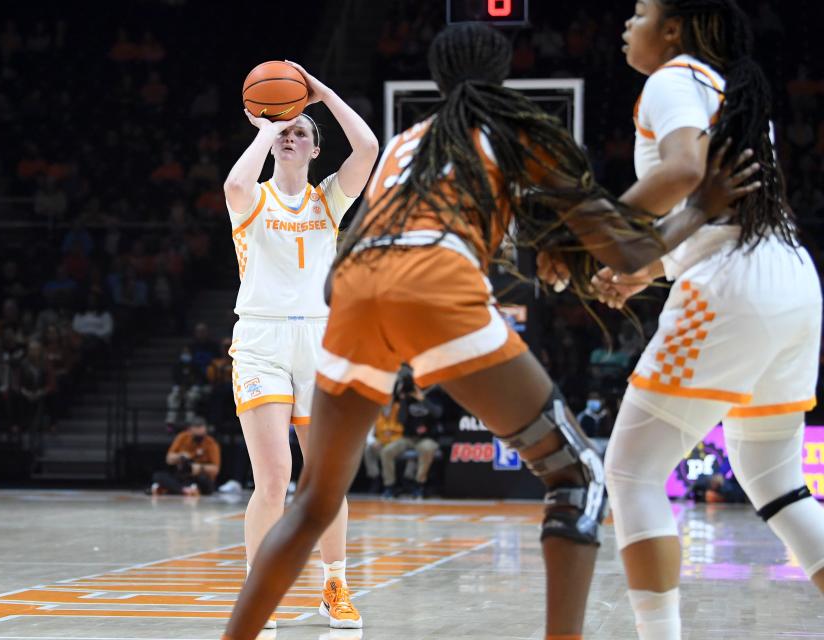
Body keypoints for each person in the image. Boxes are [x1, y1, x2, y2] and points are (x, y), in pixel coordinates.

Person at [222, 22, 759, 640]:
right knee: (577, 475)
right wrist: (693, 212)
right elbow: (613, 236)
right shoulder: (518, 129)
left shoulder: (409, 143)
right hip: (425, 291)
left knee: (315, 496)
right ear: (502, 75)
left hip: (352, 297)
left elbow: (375, 189)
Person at [586, 2, 824, 638]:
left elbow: (686, 170)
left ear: (673, 29)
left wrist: (596, 228)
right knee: (776, 482)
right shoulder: (732, 90)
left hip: (731, 286)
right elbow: (717, 214)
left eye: (637, 11)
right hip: (789, 276)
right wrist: (644, 265)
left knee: (631, 471)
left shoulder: (672, 78)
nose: (625, 22)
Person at [222, 59, 378, 630]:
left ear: (315, 149)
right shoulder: (253, 200)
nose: (290, 138)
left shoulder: (329, 201)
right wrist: (269, 123)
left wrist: (319, 95)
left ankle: (334, 585)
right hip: (261, 339)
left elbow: (367, 147)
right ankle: (258, 590)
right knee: (272, 478)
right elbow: (235, 183)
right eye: (284, 133)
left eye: (299, 133)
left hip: (320, 339)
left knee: (323, 478)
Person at [150, 417, 221, 496]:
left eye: (200, 435)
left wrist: (200, 467)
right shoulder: (182, 437)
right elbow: (168, 459)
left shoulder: (211, 443)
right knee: (158, 476)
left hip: (198, 476)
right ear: (190, 430)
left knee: (204, 481)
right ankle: (184, 490)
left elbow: (215, 469)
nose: (198, 437)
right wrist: (180, 456)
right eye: (195, 435)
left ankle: (175, 489)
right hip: (182, 475)